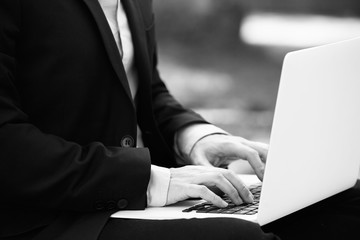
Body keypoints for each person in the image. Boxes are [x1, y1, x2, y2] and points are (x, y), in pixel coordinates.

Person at [0, 1, 359, 240]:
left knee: (345, 202)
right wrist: (153, 180)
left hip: (135, 197)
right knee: (236, 237)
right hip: (48, 215)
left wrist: (194, 137)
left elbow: (147, 91)